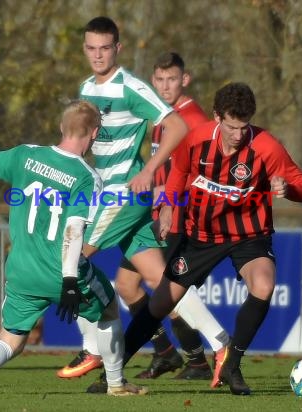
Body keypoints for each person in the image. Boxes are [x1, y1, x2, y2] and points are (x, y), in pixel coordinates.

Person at [0, 100, 147, 396]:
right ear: (95, 132)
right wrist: (71, 280)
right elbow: (74, 229)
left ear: (62, 127)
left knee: (10, 340)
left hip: (21, 269)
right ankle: (116, 384)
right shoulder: (87, 177)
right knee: (109, 309)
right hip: (61, 270)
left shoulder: (25, 155)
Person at [57, 17, 230, 385]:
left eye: (105, 48)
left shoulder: (132, 87)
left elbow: (178, 126)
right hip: (107, 191)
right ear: (85, 49)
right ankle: (220, 343)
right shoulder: (87, 87)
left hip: (124, 193)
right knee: (157, 278)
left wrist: (149, 170)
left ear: (117, 49)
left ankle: (93, 348)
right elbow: (90, 140)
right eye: (91, 48)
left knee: (72, 258)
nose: (98, 55)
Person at [121, 82, 302, 395]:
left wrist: (288, 189)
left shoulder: (267, 146)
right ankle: (114, 372)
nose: (238, 134)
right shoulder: (195, 140)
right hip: (201, 235)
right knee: (161, 302)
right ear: (216, 117)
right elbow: (179, 173)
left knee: (264, 284)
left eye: (244, 126)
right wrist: (168, 208)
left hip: (249, 234)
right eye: (231, 126)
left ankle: (233, 366)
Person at [115, 52, 214, 380]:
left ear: (185, 79)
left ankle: (199, 361)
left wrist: (171, 202)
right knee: (128, 286)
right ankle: (166, 354)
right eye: (159, 80)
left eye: (172, 79)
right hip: (156, 215)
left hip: (178, 216)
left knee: (164, 290)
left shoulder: (194, 120)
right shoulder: (162, 118)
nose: (165, 85)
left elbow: (203, 173)